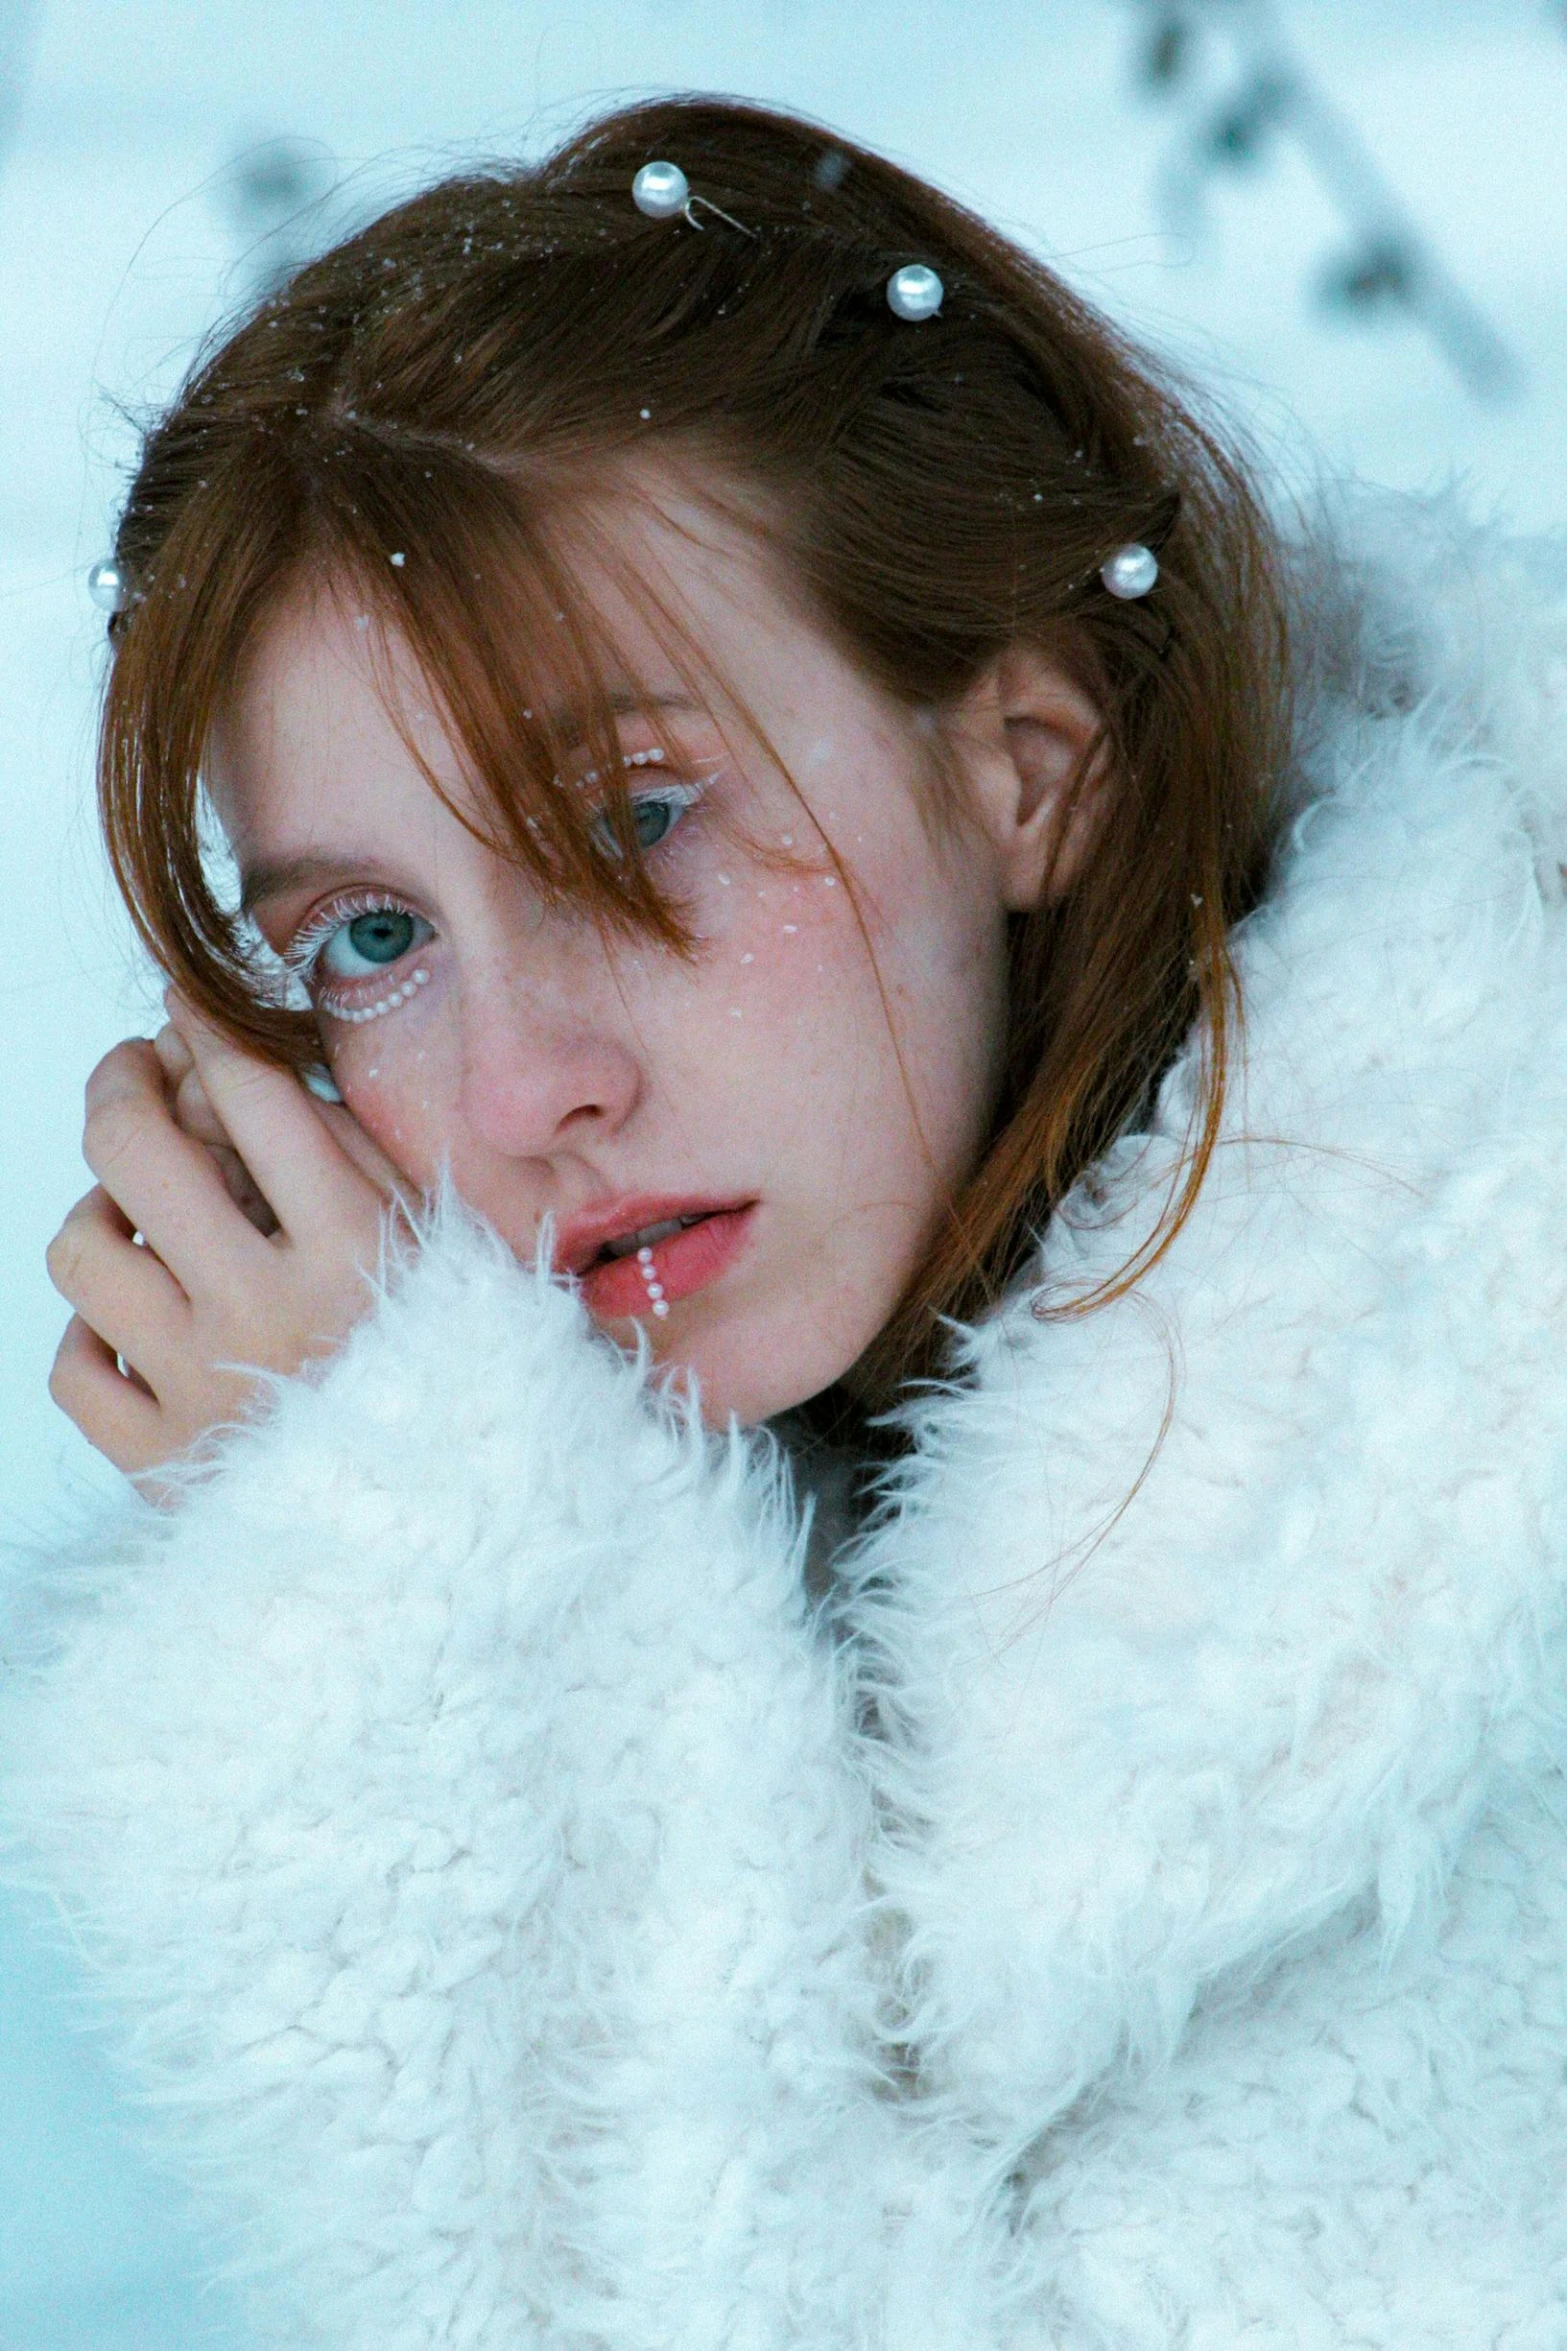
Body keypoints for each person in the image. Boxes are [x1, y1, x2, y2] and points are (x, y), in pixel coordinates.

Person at [5, 91, 1567, 2351]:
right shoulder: (778, 1460)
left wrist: (399, 1627)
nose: (531, 1082)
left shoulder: (1465, 1567)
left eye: (639, 817)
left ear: (1027, 761)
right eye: (369, 938)